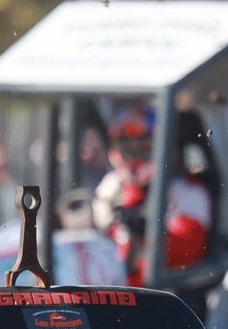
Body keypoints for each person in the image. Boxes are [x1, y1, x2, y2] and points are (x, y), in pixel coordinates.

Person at [91, 103, 213, 286]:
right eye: (128, 147)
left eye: (143, 147)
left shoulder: (187, 190)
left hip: (166, 294)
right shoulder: (111, 188)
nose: (134, 156)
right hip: (112, 290)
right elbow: (94, 244)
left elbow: (188, 251)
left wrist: (145, 230)